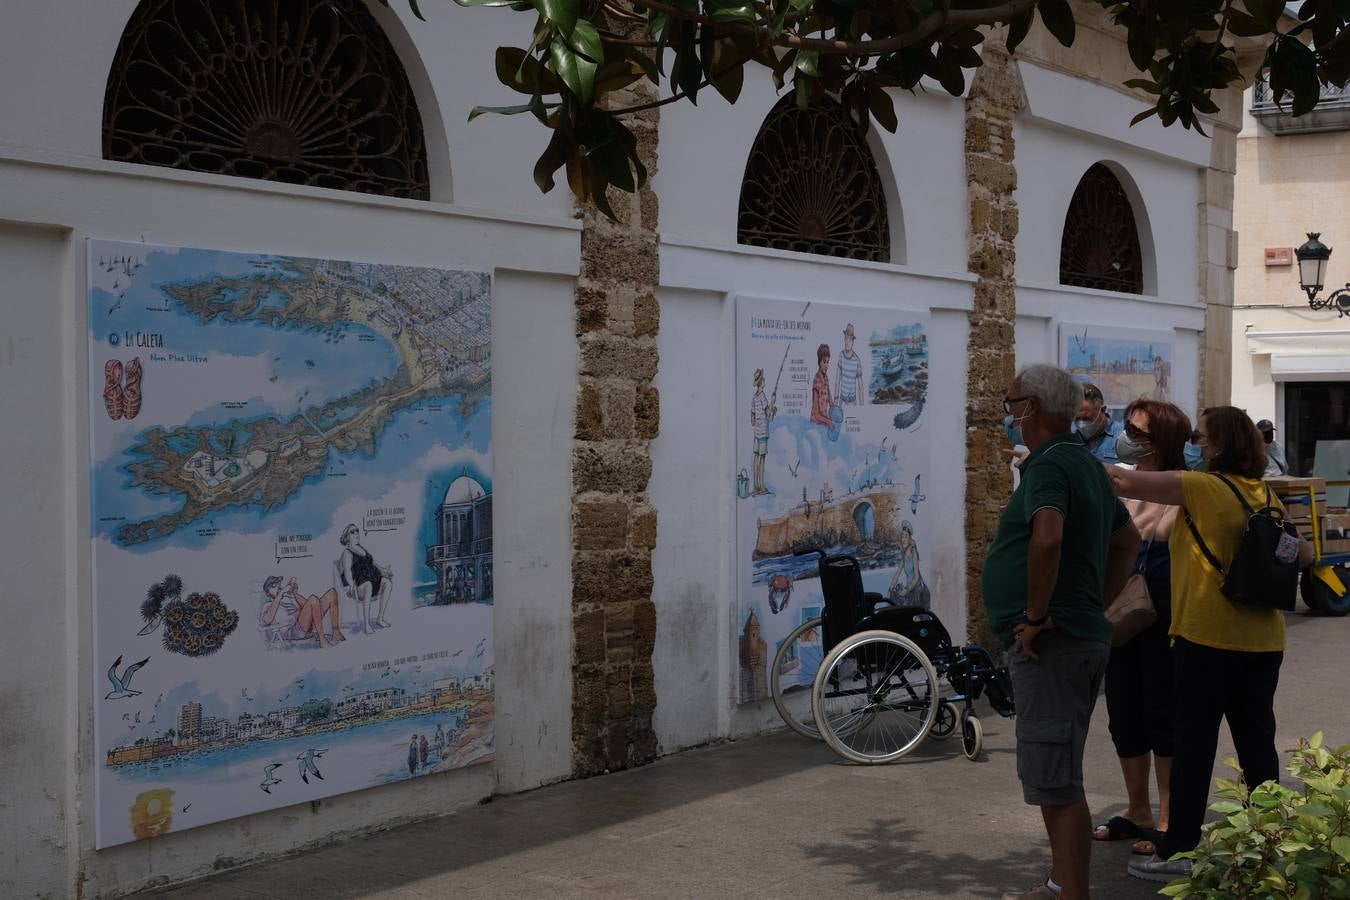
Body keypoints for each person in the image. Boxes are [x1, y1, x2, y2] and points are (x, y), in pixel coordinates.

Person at [1109, 407, 1314, 882]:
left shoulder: (1200, 487)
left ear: (1219, 445)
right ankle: (1270, 844)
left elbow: (1122, 482)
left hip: (1207, 641)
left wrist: (1053, 458)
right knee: (1257, 745)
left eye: (1201, 438)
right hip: (1263, 642)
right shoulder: (1262, 493)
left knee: (1194, 747)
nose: (1197, 445)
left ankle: (1178, 849)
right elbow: (1302, 553)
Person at [985, 365, 1141, 900]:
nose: (1008, 413)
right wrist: (1093, 602)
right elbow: (1129, 541)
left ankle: (1072, 892)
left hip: (1053, 642)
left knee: (1055, 779)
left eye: (1012, 403)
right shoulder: (1086, 464)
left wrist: (1035, 614)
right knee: (1055, 771)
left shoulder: (1049, 466)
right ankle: (1060, 883)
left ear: (1033, 407)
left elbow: (1047, 539)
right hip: (1073, 634)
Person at [1091, 400, 1190, 857]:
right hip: (1122, 614)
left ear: (1161, 441)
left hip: (1166, 617)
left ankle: (1169, 818)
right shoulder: (1127, 479)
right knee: (1124, 713)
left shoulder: (1182, 486)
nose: (1126, 434)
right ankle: (1138, 811)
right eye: (1127, 426)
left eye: (1137, 430)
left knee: (1163, 713)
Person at [261, 575, 343, 647]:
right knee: (313, 599)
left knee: (332, 593)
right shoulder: (268, 605)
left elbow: (310, 605)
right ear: (267, 593)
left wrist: (295, 594)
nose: (279, 587)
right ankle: (322, 640)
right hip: (293, 632)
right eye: (274, 586)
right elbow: (267, 619)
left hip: (307, 624)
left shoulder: (286, 599)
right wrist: (281, 593)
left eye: (279, 585)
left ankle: (336, 632)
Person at [339, 524, 393, 631]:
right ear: (346, 537)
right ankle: (367, 625)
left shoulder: (362, 548)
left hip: (371, 580)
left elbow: (374, 563)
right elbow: (347, 572)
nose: (356, 533)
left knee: (388, 583)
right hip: (358, 585)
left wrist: (384, 571)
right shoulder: (347, 552)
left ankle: (380, 618)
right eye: (352, 531)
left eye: (357, 530)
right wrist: (351, 584)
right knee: (368, 585)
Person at [1075, 383, 1123, 465]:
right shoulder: (1071, 438)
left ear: (1103, 410)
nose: (1081, 424)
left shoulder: (1122, 437)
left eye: (1087, 419)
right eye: (1077, 419)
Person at [886, 520, 930, 608]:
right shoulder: (904, 554)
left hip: (917, 591)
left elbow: (916, 577)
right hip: (909, 589)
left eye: (906, 536)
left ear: (910, 538)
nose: (903, 539)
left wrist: (906, 590)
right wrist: (889, 590)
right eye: (902, 536)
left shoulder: (913, 552)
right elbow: (897, 574)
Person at [750, 368, 775, 495]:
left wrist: (757, 421)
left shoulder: (754, 398)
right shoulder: (763, 397)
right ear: (761, 383)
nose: (764, 381)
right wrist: (773, 403)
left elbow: (752, 419)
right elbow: (769, 415)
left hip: (756, 433)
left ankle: (755, 484)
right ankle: (761, 485)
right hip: (763, 433)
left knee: (756, 458)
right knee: (762, 459)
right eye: (763, 379)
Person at [835, 323, 864, 406]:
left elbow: (861, 387)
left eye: (850, 339)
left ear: (853, 342)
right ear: (844, 339)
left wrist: (862, 408)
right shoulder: (841, 355)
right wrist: (835, 402)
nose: (847, 342)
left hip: (852, 402)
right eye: (846, 339)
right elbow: (837, 381)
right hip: (841, 401)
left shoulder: (857, 360)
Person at [810, 343, 832, 427]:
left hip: (824, 423)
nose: (826, 365)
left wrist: (835, 411)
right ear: (819, 362)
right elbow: (816, 413)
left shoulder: (826, 378)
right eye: (824, 362)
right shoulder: (816, 381)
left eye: (828, 362)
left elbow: (830, 401)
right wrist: (828, 421)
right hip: (815, 425)